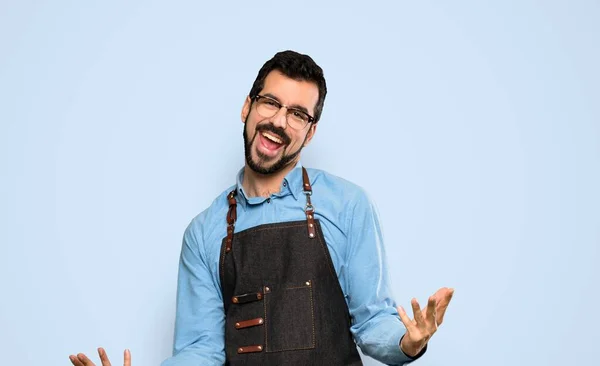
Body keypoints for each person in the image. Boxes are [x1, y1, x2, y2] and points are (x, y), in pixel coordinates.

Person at [69, 50, 454, 366]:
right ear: (247, 107)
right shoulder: (205, 232)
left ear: (311, 132)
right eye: (270, 102)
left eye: (298, 113)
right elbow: (201, 350)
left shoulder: (348, 205)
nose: (278, 121)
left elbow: (373, 323)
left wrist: (409, 341)